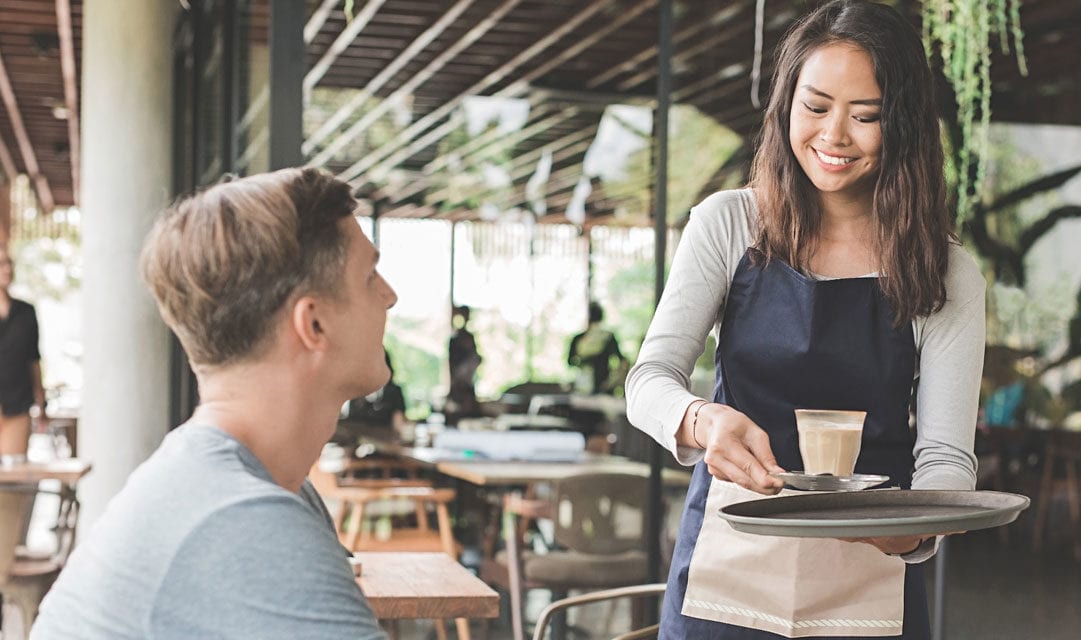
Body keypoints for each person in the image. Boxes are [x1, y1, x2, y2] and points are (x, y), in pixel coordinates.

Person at [625, 2, 985, 638]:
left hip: (871, 574)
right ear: (785, 106)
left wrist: (911, 530)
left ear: (902, 124)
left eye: (866, 116)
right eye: (815, 107)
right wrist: (701, 420)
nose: (834, 136)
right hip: (727, 570)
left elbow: (947, 458)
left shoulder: (946, 271)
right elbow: (648, 380)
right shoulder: (728, 224)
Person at [32, 169, 393, 639]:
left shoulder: (251, 486)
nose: (390, 295)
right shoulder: (243, 519)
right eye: (369, 277)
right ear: (314, 324)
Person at [0, 243, 46, 465]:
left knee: (14, 477)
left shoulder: (26, 312)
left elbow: (33, 359)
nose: (7, 269)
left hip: (17, 406)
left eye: (9, 263)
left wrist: (42, 404)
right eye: (1, 264)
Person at [338, 350, 408, 444]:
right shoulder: (356, 389)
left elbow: (398, 424)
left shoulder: (393, 391)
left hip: (382, 438)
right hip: (355, 438)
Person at [568, 301, 627, 395]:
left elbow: (570, 362)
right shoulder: (608, 337)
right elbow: (623, 362)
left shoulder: (578, 339)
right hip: (600, 386)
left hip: (586, 386)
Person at [446, 305, 481, 421]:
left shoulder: (469, 338)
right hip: (457, 387)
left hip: (466, 386)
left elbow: (476, 359)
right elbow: (450, 364)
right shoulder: (454, 340)